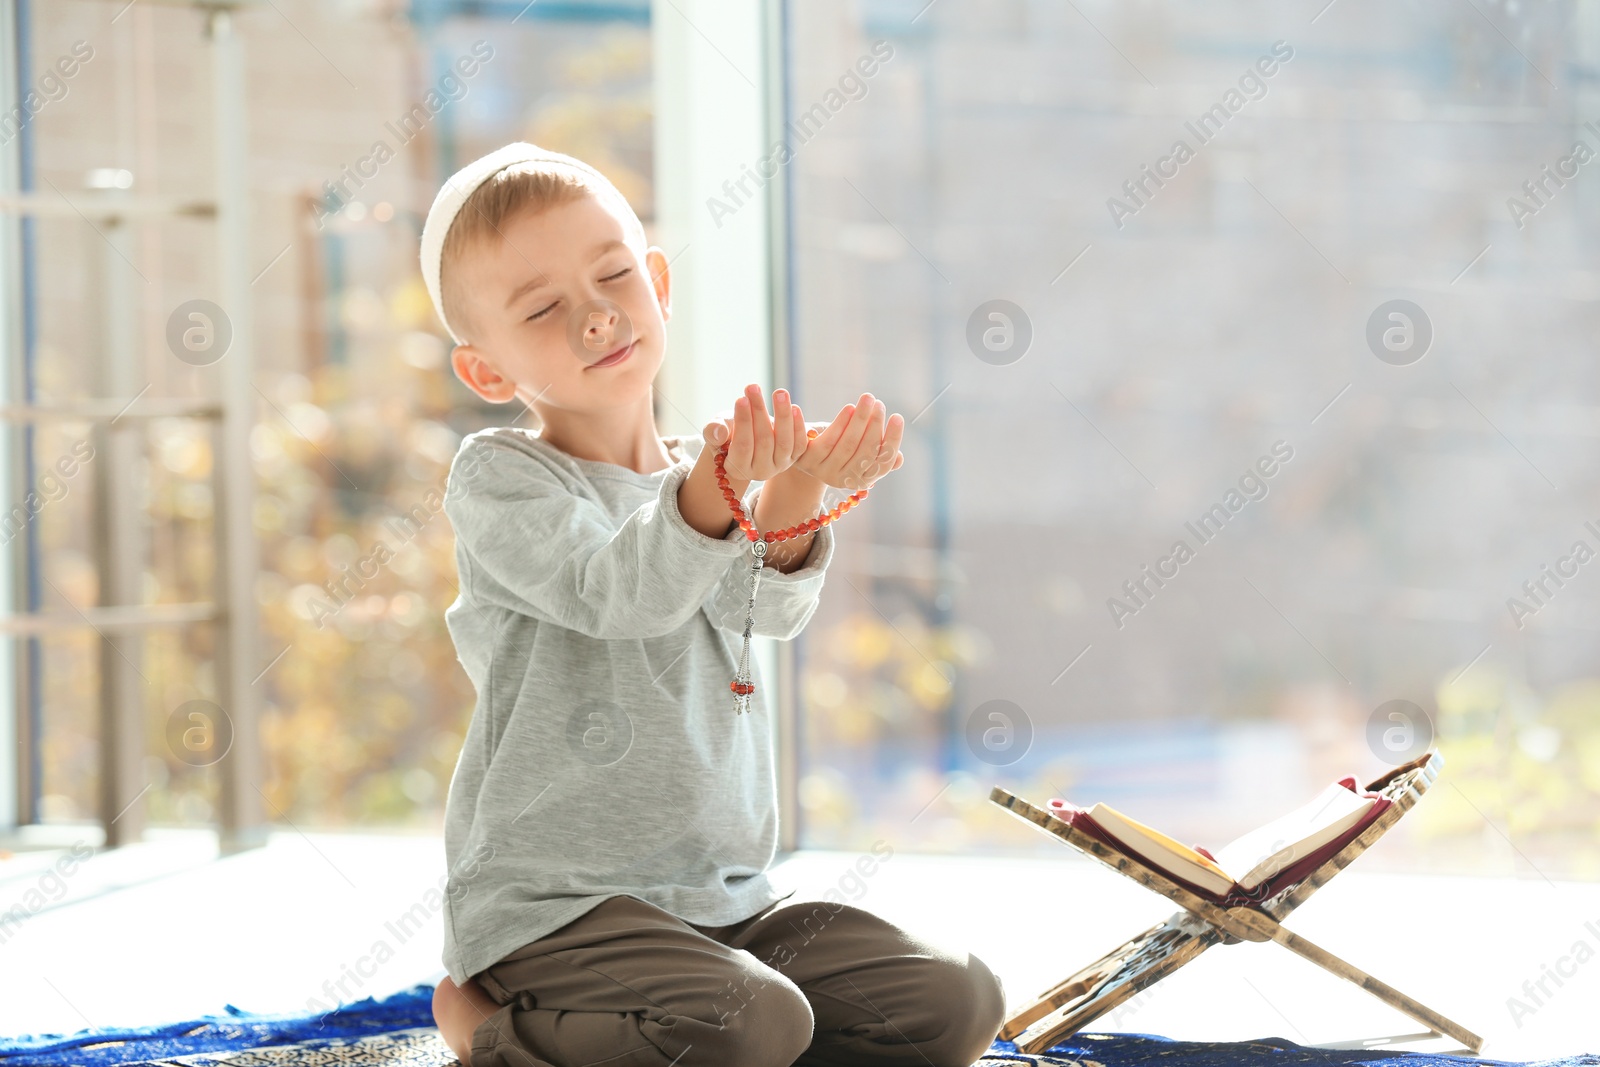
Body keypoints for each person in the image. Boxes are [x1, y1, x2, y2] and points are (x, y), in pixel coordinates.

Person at [420, 142, 1005, 1067]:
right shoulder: (502, 480)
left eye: (614, 275)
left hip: (724, 899)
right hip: (558, 905)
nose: (596, 314)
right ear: (488, 372)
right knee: (749, 1023)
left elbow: (765, 612)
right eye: (542, 309)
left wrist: (796, 488)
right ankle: (491, 1027)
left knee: (955, 998)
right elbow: (620, 591)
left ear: (655, 282)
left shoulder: (702, 474)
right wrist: (723, 483)